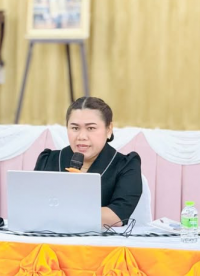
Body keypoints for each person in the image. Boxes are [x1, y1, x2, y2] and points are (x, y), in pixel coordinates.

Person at [34, 97, 142, 227]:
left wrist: (57, 212)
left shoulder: (126, 165)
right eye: (75, 128)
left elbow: (117, 216)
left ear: (109, 129)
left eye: (91, 128)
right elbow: (32, 205)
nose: (82, 137)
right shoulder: (48, 160)